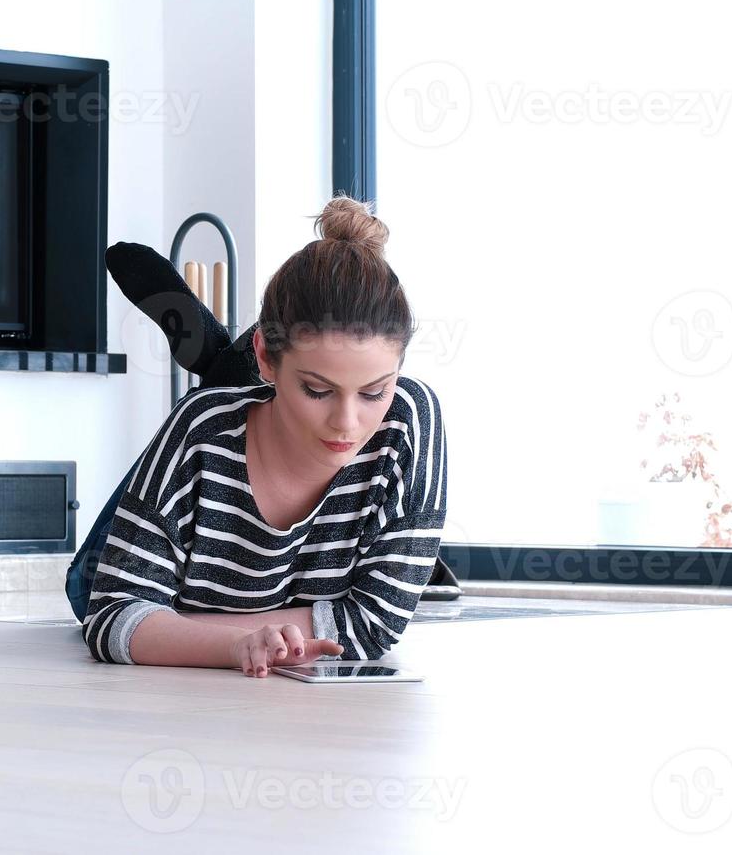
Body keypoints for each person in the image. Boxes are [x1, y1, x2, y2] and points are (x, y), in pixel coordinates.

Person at [67, 195, 447, 677]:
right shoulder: (201, 432)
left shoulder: (410, 420)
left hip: (191, 604)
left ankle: (231, 364)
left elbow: (371, 628)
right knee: (87, 586)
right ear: (267, 357)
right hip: (150, 562)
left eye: (374, 391)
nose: (347, 424)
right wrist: (236, 644)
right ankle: (229, 369)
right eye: (317, 390)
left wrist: (201, 632)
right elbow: (111, 617)